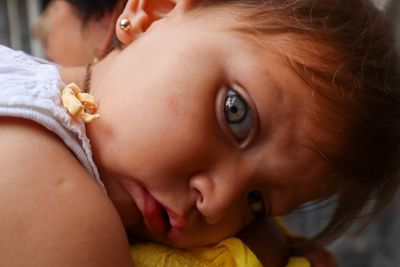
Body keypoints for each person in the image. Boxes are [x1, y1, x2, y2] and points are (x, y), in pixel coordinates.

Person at [1, 0, 399, 266]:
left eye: (256, 202)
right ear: (155, 12)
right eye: (235, 113)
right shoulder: (52, 197)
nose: (217, 203)